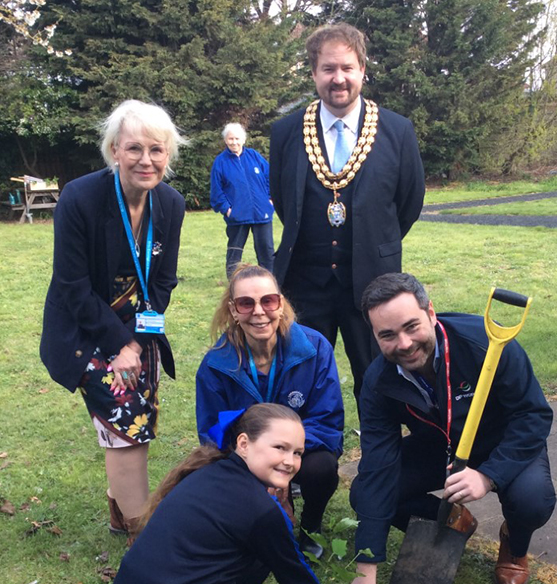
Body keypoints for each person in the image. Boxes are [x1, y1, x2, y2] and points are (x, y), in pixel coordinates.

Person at [338, 273, 556, 584]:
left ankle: (514, 544)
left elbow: (533, 415)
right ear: (374, 336)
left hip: (504, 440)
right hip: (439, 446)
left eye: (411, 326)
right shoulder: (378, 383)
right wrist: (366, 570)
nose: (404, 343)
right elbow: (378, 467)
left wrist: (488, 475)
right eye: (388, 335)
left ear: (431, 313)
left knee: (532, 500)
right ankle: (455, 522)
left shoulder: (488, 345)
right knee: (365, 493)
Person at [112, 403, 356, 584]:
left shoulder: (205, 474)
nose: (290, 461)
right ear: (243, 444)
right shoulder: (261, 510)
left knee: (262, 556)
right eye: (280, 447)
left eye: (298, 453)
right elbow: (296, 575)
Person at [40, 99, 187, 541]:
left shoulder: (172, 204)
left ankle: (119, 510)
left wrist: (137, 344)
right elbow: (73, 285)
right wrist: (118, 345)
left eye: (157, 150)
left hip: (139, 331)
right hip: (86, 329)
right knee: (129, 424)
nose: (146, 160)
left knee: (141, 412)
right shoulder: (80, 198)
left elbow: (162, 284)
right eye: (135, 148)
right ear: (114, 151)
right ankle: (145, 535)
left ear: (169, 155)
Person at [269, 23, 425, 404]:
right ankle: (308, 463)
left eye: (347, 68)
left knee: (379, 384)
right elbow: (284, 201)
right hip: (305, 284)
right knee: (300, 384)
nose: (338, 79)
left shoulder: (397, 130)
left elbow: (408, 203)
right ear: (314, 73)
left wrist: (374, 241)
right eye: (328, 69)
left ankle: (380, 462)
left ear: (362, 70)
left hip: (373, 283)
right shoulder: (287, 132)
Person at [195, 264, 344, 557]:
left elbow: (327, 423)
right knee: (209, 474)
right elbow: (213, 434)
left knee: (323, 467)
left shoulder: (315, 348)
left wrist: (284, 455)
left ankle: (311, 527)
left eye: (268, 301)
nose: (259, 312)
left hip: (303, 451)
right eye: (246, 303)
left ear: (281, 303)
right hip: (247, 457)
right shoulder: (215, 365)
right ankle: (253, 523)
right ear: (233, 310)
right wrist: (263, 462)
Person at [210, 122, 275, 278]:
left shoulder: (255, 157)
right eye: (230, 139)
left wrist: (270, 199)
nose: (234, 142)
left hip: (261, 212)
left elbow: (270, 178)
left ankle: (270, 279)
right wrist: (227, 209)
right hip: (237, 215)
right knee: (235, 250)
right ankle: (233, 281)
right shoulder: (220, 162)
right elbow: (216, 189)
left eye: (237, 138)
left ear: (243, 140)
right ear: (225, 140)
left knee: (266, 249)